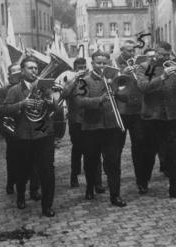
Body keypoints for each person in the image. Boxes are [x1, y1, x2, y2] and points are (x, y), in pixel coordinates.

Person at [1, 57, 58, 217]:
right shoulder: (14, 90)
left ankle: (47, 206)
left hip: (44, 134)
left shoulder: (45, 87)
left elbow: (56, 109)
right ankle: (20, 195)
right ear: (23, 70)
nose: (34, 71)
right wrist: (21, 104)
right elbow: (2, 110)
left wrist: (50, 100)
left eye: (36, 68)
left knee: (47, 171)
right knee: (23, 170)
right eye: (30, 68)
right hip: (24, 136)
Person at [136, 41, 176, 200]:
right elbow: (143, 87)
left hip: (172, 116)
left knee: (174, 154)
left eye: (168, 55)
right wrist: (163, 76)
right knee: (149, 152)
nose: (165, 58)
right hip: (152, 117)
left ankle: (175, 188)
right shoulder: (147, 67)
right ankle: (143, 181)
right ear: (155, 52)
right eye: (162, 54)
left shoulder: (172, 64)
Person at [75, 51, 126, 207]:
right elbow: (80, 101)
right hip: (92, 127)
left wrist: (117, 89)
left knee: (113, 162)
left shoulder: (114, 79)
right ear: (92, 63)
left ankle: (115, 195)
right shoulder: (84, 81)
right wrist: (100, 99)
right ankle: (90, 187)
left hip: (111, 127)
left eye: (105, 63)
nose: (102, 66)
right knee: (91, 161)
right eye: (99, 63)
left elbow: (126, 97)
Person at [0, 64, 40, 198]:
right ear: (8, 75)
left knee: (32, 159)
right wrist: (18, 107)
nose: (16, 74)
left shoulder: (30, 86)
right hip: (11, 130)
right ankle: (11, 183)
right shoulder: (5, 89)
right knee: (14, 160)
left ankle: (33, 188)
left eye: (18, 71)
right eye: (13, 72)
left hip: (28, 128)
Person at [61, 58, 104, 191]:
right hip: (76, 120)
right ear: (74, 68)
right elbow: (64, 94)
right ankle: (74, 176)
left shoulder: (90, 78)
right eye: (79, 67)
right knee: (77, 149)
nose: (82, 69)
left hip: (90, 119)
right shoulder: (70, 79)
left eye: (84, 66)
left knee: (95, 151)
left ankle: (97, 182)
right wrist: (75, 78)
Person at [113, 41, 147, 194]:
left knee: (139, 146)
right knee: (116, 148)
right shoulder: (113, 63)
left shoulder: (140, 62)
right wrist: (123, 73)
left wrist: (140, 73)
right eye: (128, 51)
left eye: (133, 50)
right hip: (121, 111)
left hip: (137, 110)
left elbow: (148, 81)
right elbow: (112, 85)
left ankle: (141, 181)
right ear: (121, 50)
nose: (132, 54)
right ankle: (114, 181)